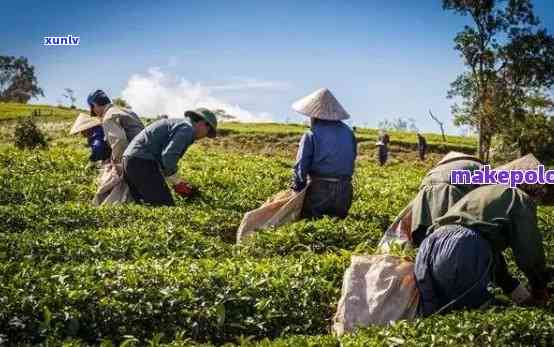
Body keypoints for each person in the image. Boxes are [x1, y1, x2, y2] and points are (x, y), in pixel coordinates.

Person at [414, 154, 552, 317]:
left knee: (437, 314)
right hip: (460, 250)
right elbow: (529, 249)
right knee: (476, 316)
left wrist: (518, 293)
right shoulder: (520, 198)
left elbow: (491, 257)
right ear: (533, 189)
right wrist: (539, 284)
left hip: (428, 249)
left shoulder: (484, 194)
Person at [122, 108, 218, 206]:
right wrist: (177, 182)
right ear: (203, 123)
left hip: (130, 160)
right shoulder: (187, 128)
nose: (205, 136)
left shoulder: (178, 124)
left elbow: (164, 160)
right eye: (207, 131)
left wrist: (174, 181)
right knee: (165, 206)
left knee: (144, 205)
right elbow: (168, 157)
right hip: (141, 162)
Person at [290, 88, 357, 219]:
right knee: (336, 228)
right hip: (345, 190)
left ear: (314, 115)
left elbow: (301, 166)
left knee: (311, 226)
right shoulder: (349, 133)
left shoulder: (311, 134)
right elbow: (352, 158)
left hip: (320, 189)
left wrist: (297, 188)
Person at [410, 151, 484, 246]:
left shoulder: (444, 165)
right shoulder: (480, 168)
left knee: (425, 240)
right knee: (454, 241)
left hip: (428, 182)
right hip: (453, 189)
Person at [87, 90, 145, 165]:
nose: (94, 113)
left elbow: (119, 143)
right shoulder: (126, 111)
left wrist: (117, 165)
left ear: (94, 105)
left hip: (137, 160)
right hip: (148, 154)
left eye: (92, 109)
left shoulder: (108, 117)